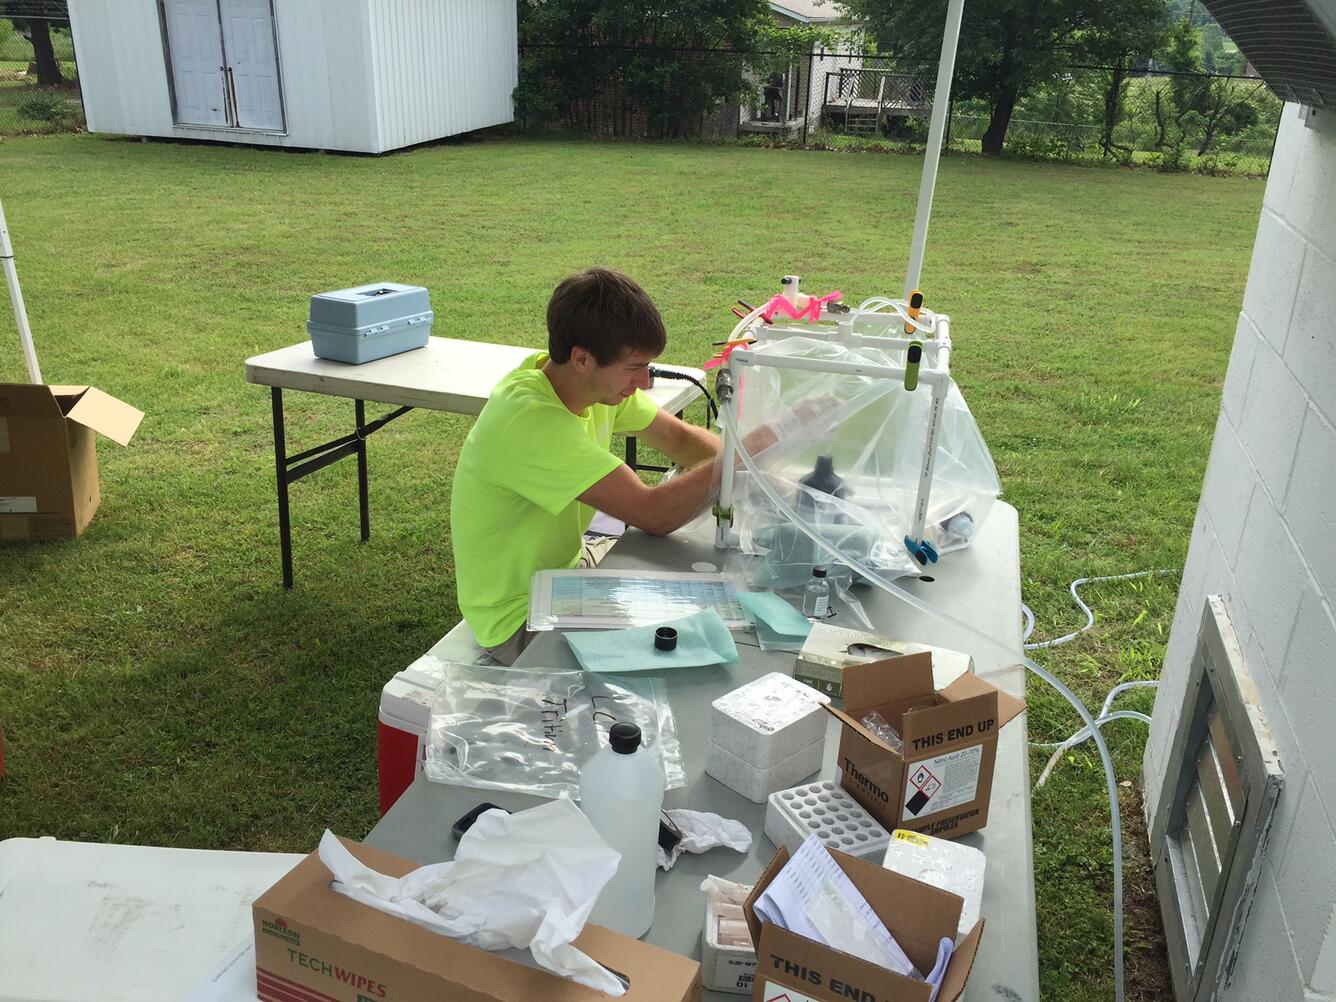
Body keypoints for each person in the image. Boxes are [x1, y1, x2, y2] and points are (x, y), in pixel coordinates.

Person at [449, 267, 723, 665]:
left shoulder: (586, 384)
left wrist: (747, 462)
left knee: (691, 606)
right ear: (581, 358)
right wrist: (741, 458)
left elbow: (681, 441)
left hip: (565, 578)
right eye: (635, 367)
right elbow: (654, 513)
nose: (644, 382)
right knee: (684, 647)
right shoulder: (529, 420)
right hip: (517, 619)